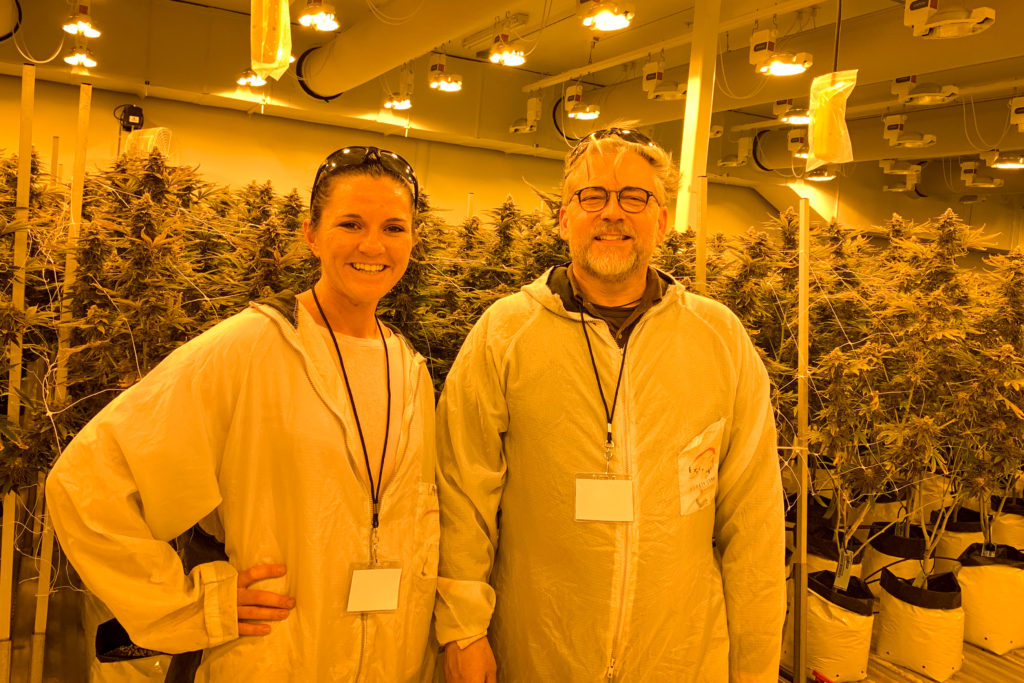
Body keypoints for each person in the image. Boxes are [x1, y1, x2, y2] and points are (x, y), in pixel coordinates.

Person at [47, 146, 440, 681]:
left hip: (393, 658)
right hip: (274, 653)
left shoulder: (409, 366)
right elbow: (86, 482)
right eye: (351, 223)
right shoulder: (249, 346)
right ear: (312, 235)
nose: (373, 245)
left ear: (413, 240)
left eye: (394, 227)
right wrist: (193, 604)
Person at [434, 128, 786, 681]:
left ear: (663, 219)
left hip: (678, 652)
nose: (612, 214)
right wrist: (464, 628)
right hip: (540, 646)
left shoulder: (718, 338)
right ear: (563, 219)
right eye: (592, 197)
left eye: (634, 198)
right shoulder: (506, 332)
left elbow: (754, 518)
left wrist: (756, 665)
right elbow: (463, 491)